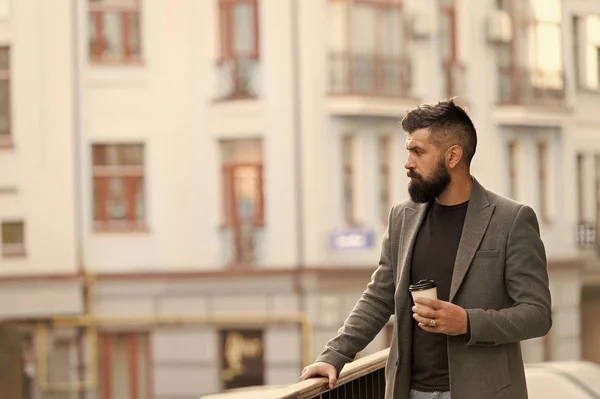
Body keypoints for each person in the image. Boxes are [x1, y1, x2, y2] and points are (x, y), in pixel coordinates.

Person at [299, 99, 552, 399]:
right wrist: (333, 355)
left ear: (453, 156)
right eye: (408, 151)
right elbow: (379, 298)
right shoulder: (402, 217)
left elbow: (537, 314)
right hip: (410, 392)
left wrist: (468, 323)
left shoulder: (511, 220)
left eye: (417, 152)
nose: (408, 163)